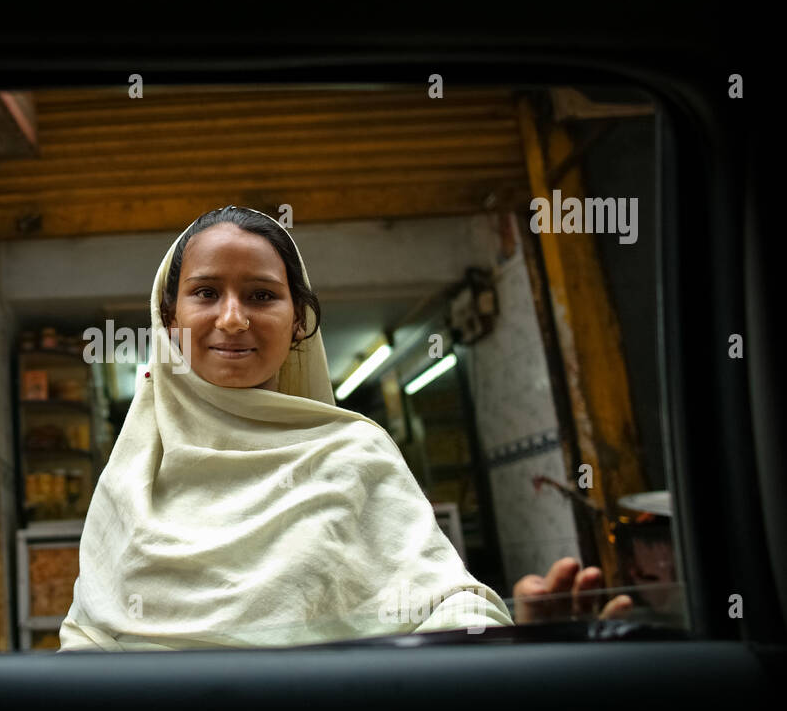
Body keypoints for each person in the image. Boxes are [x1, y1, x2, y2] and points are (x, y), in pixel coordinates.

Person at [57, 206, 624, 652]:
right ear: (169, 317)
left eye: (262, 295)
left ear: (296, 320)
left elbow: (441, 607)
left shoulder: (354, 452)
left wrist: (509, 638)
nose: (232, 318)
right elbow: (87, 643)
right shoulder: (133, 474)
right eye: (206, 292)